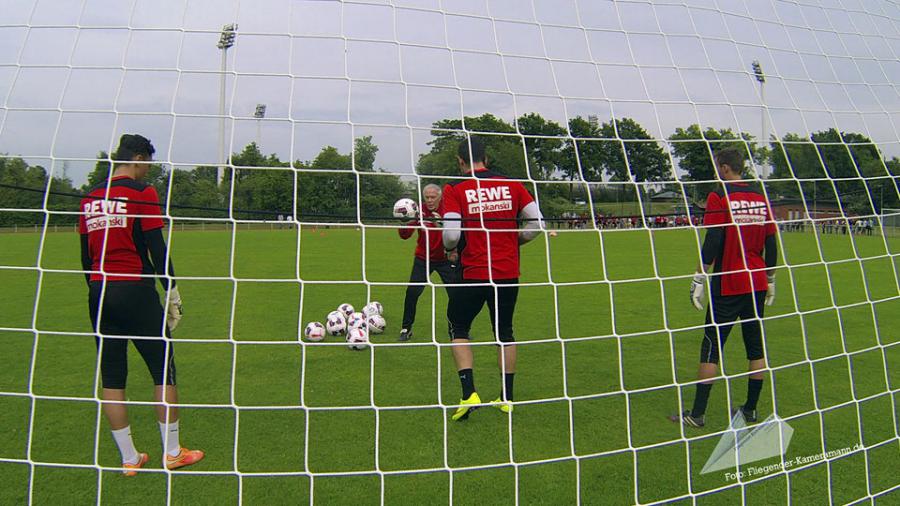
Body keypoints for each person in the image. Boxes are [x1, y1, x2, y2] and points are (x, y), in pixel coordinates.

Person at [79, 134, 204, 474]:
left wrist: (98, 290)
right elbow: (157, 248)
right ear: (136, 158)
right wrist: (172, 291)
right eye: (148, 162)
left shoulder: (90, 197)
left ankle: (130, 459)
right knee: (163, 368)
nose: (149, 169)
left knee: (113, 377)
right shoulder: (141, 193)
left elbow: (84, 258)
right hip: (135, 289)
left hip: (99, 292)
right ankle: (173, 453)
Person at [673, 148, 778, 428]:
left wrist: (698, 277)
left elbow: (714, 239)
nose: (717, 171)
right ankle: (751, 410)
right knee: (755, 348)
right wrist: (770, 279)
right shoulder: (760, 195)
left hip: (729, 283)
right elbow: (771, 242)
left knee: (711, 346)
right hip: (756, 283)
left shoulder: (719, 195)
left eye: (718, 166)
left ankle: (697, 414)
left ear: (725, 167)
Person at [441, 137, 543, 421]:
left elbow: (451, 234)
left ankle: (468, 393)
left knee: (458, 326)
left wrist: (450, 250)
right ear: (486, 158)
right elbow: (537, 224)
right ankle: (507, 398)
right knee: (505, 332)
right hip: (507, 272)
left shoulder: (455, 187)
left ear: (460, 161)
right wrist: (516, 241)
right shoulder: (512, 185)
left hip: (473, 272)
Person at [397, 184, 459, 342]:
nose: (430, 200)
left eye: (433, 197)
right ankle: (406, 328)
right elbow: (405, 235)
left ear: (440, 197)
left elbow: (459, 233)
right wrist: (403, 222)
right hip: (423, 259)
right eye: (427, 197)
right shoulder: (419, 211)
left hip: (446, 259)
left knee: (456, 295)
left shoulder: (449, 210)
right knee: (412, 293)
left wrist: (443, 223)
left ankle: (456, 329)